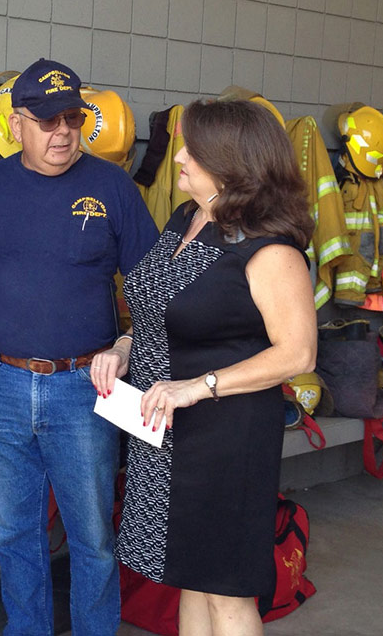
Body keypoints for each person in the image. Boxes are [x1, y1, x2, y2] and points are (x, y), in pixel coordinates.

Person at [0, 58, 158, 636]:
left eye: (72, 119)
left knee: (93, 539)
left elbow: (156, 288)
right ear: (16, 125)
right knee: (14, 534)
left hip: (84, 388)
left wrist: (131, 341)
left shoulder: (113, 187)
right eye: (47, 120)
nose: (63, 132)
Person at [90, 99, 317, 636]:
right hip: (164, 430)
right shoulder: (188, 218)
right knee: (188, 577)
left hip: (225, 438)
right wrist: (124, 347)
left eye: (194, 149)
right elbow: (158, 308)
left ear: (231, 163)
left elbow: (298, 352)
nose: (181, 157)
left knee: (227, 593)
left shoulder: (269, 249)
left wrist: (200, 386)